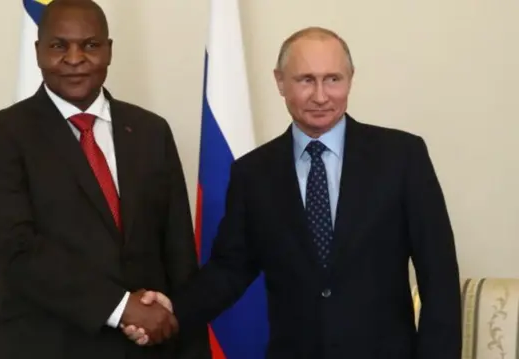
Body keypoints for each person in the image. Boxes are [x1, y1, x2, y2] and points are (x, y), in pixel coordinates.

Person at [123, 27, 462, 359]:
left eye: (333, 79)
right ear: (280, 82)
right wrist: (172, 309)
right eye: (305, 80)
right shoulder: (253, 173)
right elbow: (230, 269)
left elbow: (439, 276)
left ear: (350, 79)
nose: (320, 95)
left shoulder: (402, 157)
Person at [0, 0, 210, 358]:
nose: (74, 58)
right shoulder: (1, 135)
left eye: (90, 45)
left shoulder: (150, 131)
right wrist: (121, 307)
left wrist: (185, 337)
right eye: (58, 45)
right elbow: (15, 250)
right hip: (41, 343)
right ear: (38, 51)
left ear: (109, 51)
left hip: (143, 347)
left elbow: (177, 250)